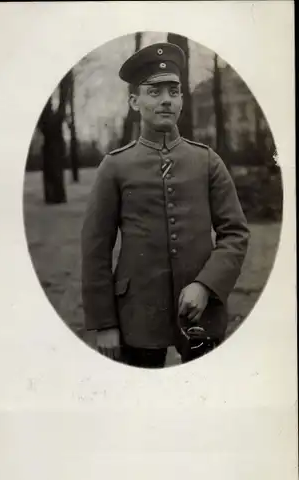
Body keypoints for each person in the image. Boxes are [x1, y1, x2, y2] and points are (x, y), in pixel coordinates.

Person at [81, 42, 250, 368]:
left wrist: (205, 285)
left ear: (182, 100)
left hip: (203, 312)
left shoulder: (207, 161)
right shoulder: (115, 166)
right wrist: (105, 323)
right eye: (154, 92)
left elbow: (236, 233)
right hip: (137, 316)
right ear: (135, 101)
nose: (166, 100)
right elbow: (95, 249)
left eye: (173, 91)